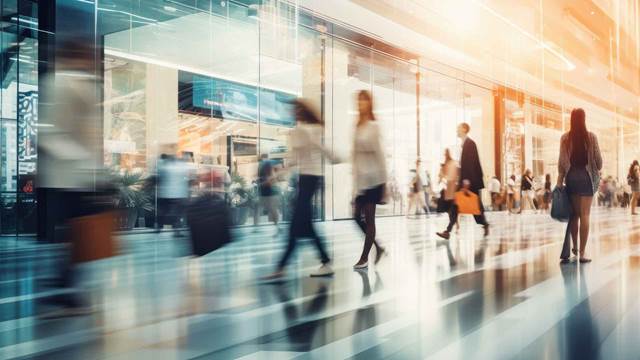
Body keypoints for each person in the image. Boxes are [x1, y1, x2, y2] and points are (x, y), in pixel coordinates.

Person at [263, 100, 340, 279]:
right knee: (304, 224)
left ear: (303, 111)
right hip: (308, 179)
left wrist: (334, 157)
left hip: (309, 179)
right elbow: (295, 158)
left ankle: (281, 269)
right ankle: (324, 261)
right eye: (292, 109)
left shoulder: (303, 130)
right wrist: (275, 176)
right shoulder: (305, 129)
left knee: (296, 224)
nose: (293, 112)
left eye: (296, 109)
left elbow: (316, 149)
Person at [557, 108, 602, 263]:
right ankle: (582, 253)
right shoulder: (591, 137)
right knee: (585, 215)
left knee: (574, 215)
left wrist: (559, 181)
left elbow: (562, 163)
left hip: (571, 178)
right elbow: (599, 162)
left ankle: (575, 248)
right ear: (584, 119)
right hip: (586, 176)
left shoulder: (565, 138)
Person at [352, 90, 387, 269]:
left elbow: (380, 156)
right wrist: (354, 183)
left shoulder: (373, 126)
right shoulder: (358, 125)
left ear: (369, 104)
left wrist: (384, 182)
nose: (361, 104)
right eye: (359, 101)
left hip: (373, 180)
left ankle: (364, 257)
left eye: (364, 101)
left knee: (370, 219)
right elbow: (355, 155)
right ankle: (378, 247)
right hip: (361, 182)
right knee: (356, 217)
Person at [436, 122, 489, 239]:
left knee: (476, 206)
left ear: (464, 129)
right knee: (456, 206)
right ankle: (447, 231)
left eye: (458, 128)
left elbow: (472, 164)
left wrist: (466, 181)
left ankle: (485, 224)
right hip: (466, 180)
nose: (456, 130)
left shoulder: (470, 144)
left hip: (470, 181)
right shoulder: (465, 144)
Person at [255, 153, 281, 236]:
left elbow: (271, 180)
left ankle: (277, 227)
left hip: (269, 192)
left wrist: (262, 183)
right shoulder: (266, 165)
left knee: (271, 209)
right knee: (269, 209)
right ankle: (276, 227)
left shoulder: (267, 165)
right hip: (266, 191)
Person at [437, 148, 459, 225]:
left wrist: (442, 176)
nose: (444, 155)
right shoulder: (447, 163)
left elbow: (451, 177)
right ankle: (454, 223)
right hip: (448, 189)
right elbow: (442, 177)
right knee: (450, 208)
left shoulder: (451, 163)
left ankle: (453, 224)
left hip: (451, 188)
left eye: (445, 154)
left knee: (451, 208)